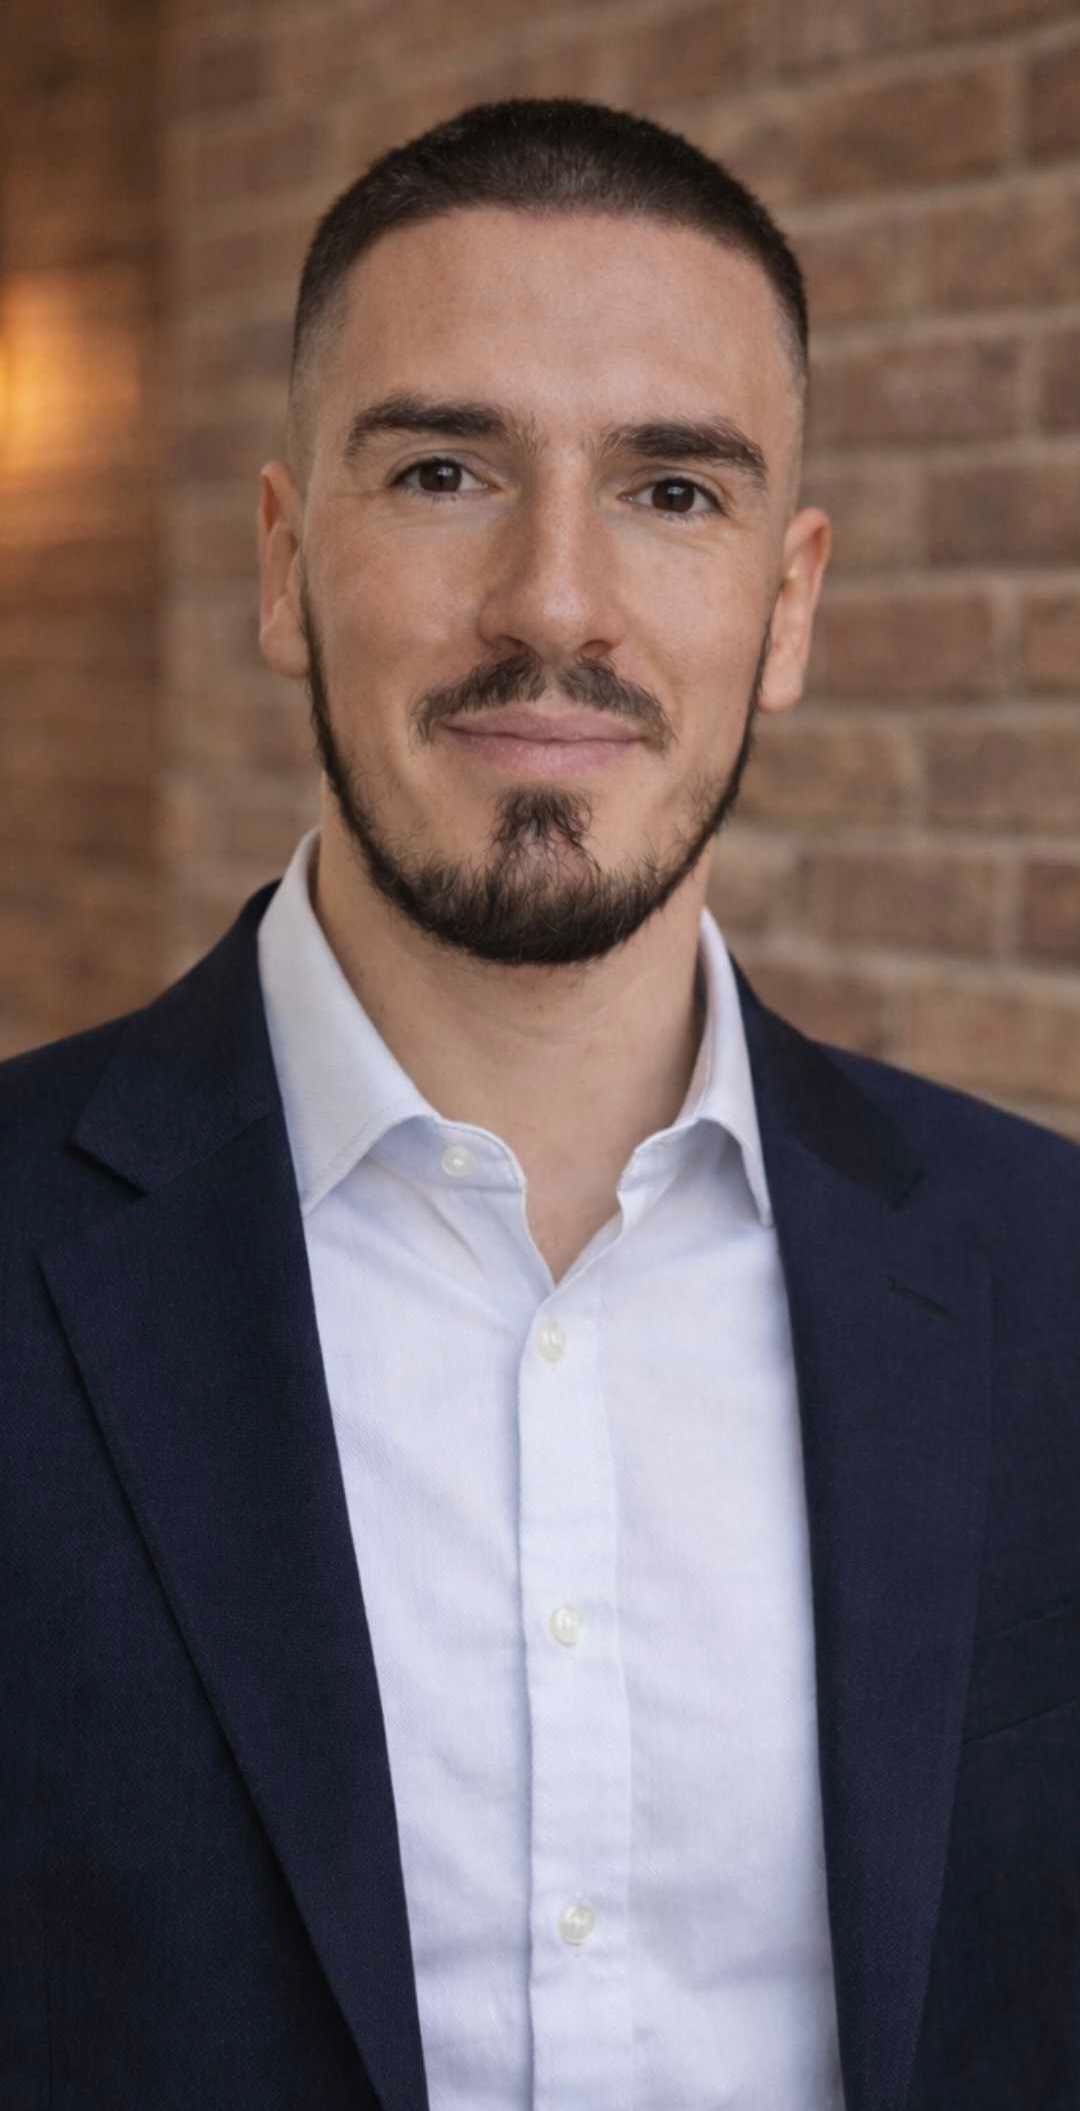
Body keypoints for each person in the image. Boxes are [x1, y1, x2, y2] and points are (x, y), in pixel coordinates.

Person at [3, 94, 1079, 2111]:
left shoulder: (1051, 1277)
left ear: (789, 605)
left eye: (672, 491)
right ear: (283, 563)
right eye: (443, 471)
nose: (556, 604)